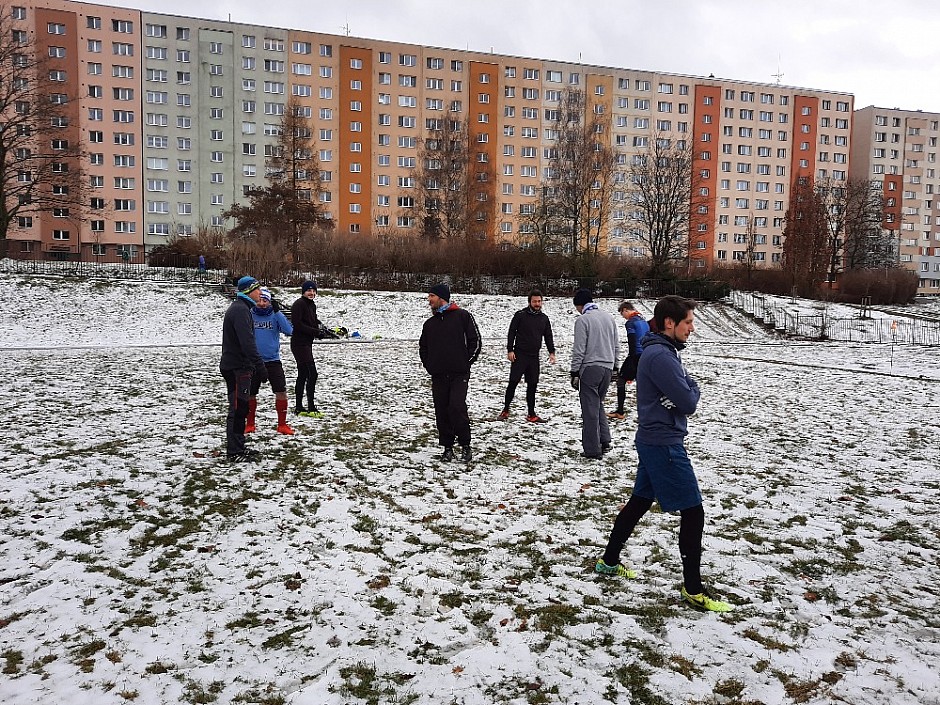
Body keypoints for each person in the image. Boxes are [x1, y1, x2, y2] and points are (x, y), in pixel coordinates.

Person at [595, 295, 733, 613]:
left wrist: (686, 388)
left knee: (640, 502)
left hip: (654, 439)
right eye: (688, 322)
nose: (692, 329)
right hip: (664, 443)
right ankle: (693, 589)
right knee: (693, 512)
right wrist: (689, 389)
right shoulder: (660, 356)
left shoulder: (663, 351)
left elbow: (684, 391)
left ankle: (608, 561)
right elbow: (688, 401)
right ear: (670, 323)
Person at [419, 283, 481, 462]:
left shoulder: (462, 316)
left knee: (456, 407)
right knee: (442, 410)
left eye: (431, 296)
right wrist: (430, 366)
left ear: (441, 297)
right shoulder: (429, 324)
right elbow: (423, 348)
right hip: (438, 375)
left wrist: (465, 363)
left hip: (459, 374)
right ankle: (447, 447)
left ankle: (465, 445)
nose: (429, 300)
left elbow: (475, 341)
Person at [219, 275, 268, 461]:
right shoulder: (240, 310)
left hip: (239, 366)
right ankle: (234, 452)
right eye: (257, 289)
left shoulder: (242, 309)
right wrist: (260, 366)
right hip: (237, 367)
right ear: (248, 291)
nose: (260, 292)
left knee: (241, 407)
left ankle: (239, 446)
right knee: (238, 408)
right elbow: (247, 343)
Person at [569, 289, 619, 459]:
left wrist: (575, 371)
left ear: (580, 305)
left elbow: (579, 349)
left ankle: (592, 449)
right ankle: (604, 439)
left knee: (589, 409)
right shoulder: (608, 318)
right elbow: (616, 345)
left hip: (590, 368)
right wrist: (615, 367)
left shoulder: (583, 320)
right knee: (598, 404)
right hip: (607, 367)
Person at [499, 289, 556, 422]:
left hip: (534, 357)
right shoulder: (520, 315)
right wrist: (510, 350)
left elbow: (548, 336)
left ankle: (531, 414)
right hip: (519, 355)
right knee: (513, 383)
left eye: (539, 301)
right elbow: (511, 332)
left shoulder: (544, 319)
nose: (537, 304)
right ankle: (505, 410)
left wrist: (551, 352)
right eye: (534, 301)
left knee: (533, 385)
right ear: (529, 302)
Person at [247, 287, 295, 435]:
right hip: (253, 361)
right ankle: (250, 424)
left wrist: (278, 312)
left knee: (281, 391)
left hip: (273, 361)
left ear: (269, 302)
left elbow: (289, 331)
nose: (262, 303)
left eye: (265, 300)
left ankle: (282, 424)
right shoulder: (250, 314)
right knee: (250, 393)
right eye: (259, 300)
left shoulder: (274, 315)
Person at [608, 301, 650, 420]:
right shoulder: (643, 320)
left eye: (622, 314)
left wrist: (631, 360)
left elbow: (632, 341)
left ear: (625, 310)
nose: (623, 317)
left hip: (635, 355)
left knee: (621, 380)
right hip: (646, 354)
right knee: (644, 384)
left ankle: (620, 411)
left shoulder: (631, 323)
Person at [290, 280, 324, 418]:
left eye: (313, 290)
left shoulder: (311, 305)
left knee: (303, 374)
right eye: (308, 290)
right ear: (303, 292)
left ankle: (299, 407)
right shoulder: (299, 304)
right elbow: (298, 325)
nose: (311, 293)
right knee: (312, 374)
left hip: (306, 344)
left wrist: (321, 327)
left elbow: (312, 320)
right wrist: (315, 332)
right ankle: (311, 406)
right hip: (299, 344)